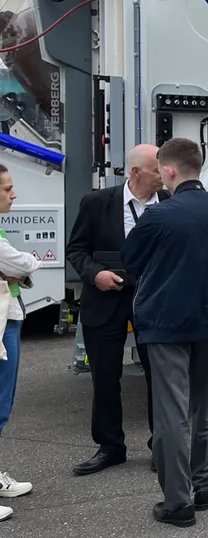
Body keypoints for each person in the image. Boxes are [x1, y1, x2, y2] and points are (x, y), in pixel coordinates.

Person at [122, 138, 208, 527]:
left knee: (172, 413)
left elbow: (130, 259)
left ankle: (177, 503)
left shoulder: (159, 216)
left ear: (169, 171)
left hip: (164, 322)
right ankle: (205, 485)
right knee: (204, 407)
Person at [66, 144, 168, 475]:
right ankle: (110, 446)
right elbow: (77, 249)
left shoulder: (169, 205)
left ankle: (162, 445)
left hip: (153, 302)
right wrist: (95, 273)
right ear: (136, 172)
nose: (164, 175)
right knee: (106, 377)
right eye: (157, 169)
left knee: (161, 376)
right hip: (106, 300)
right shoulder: (97, 203)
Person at [0, 163, 43, 521]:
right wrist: (23, 266)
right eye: (6, 189)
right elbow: (25, 264)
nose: (13, 195)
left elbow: (17, 270)